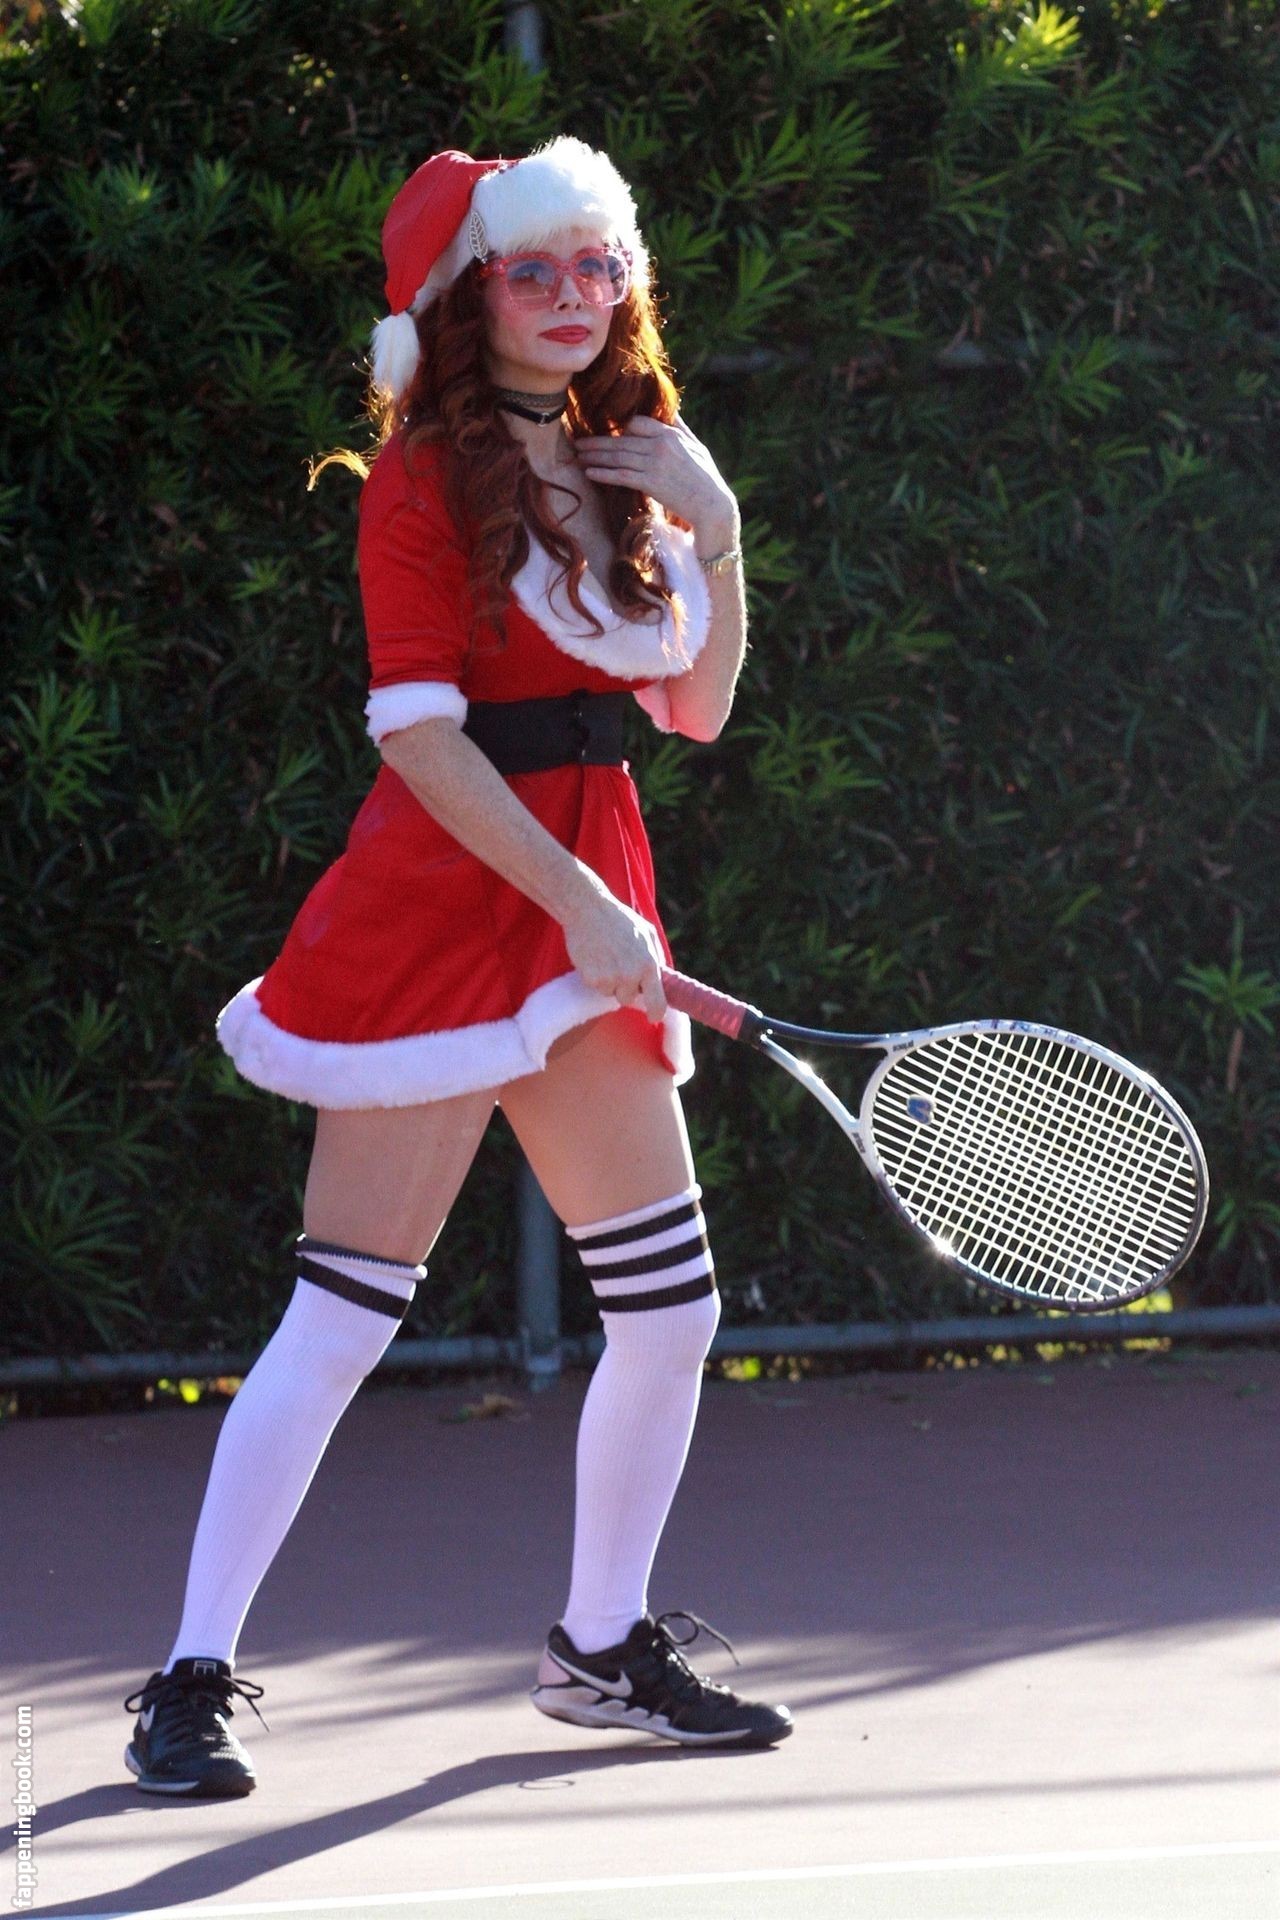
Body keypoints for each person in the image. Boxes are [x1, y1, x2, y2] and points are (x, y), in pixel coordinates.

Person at [122, 134, 793, 1798]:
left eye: (597, 267)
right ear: (467, 297)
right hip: (441, 916)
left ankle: (600, 1645)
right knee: (344, 1317)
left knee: (671, 1311)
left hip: (586, 919)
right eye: (531, 270)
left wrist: (715, 525)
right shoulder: (418, 479)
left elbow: (696, 711)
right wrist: (579, 904)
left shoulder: (630, 465)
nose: (574, 297)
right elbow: (421, 740)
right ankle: (187, 1677)